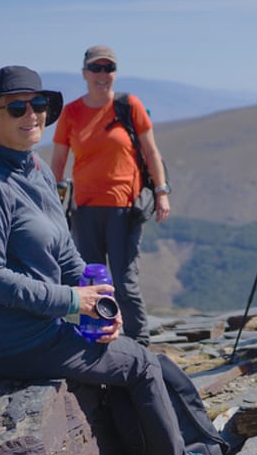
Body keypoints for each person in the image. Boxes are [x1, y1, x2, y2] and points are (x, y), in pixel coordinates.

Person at [0, 66, 232, 455]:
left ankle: (183, 454)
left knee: (148, 359)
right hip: (12, 340)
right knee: (142, 364)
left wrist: (103, 304)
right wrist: (70, 301)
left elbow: (66, 254)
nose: (33, 116)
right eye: (17, 108)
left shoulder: (38, 171)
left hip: (45, 327)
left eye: (39, 105)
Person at [51, 45, 170, 346]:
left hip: (124, 207)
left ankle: (139, 342)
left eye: (108, 68)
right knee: (90, 280)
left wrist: (161, 192)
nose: (102, 74)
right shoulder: (72, 112)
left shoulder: (129, 106)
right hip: (85, 208)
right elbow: (58, 160)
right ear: (84, 73)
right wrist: (51, 199)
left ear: (114, 73)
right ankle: (97, 339)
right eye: (96, 68)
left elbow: (151, 151)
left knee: (125, 281)